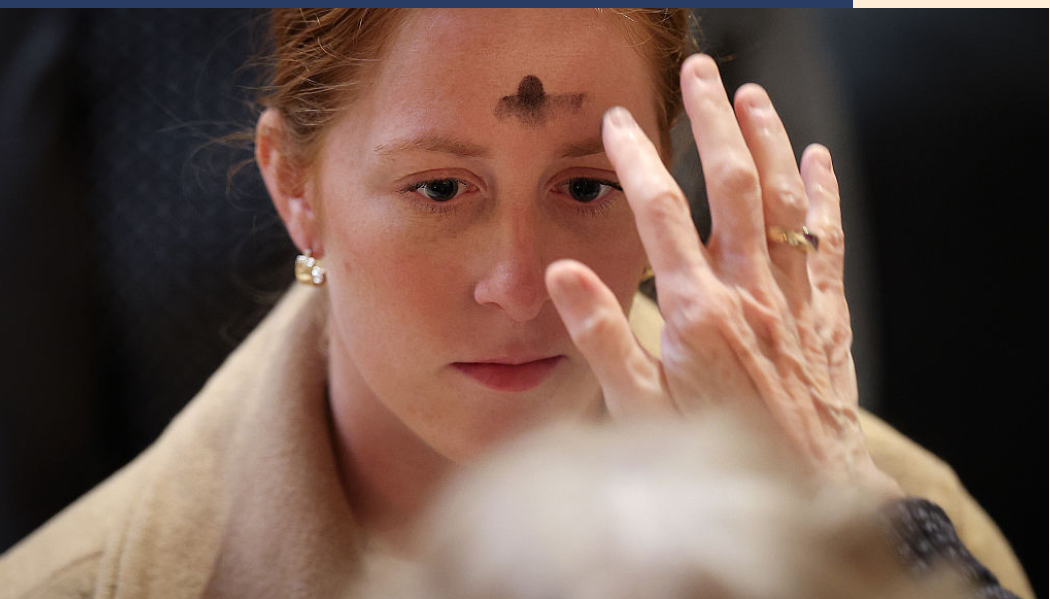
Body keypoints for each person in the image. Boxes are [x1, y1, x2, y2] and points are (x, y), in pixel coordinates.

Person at [0, 8, 1031, 599]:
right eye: (440, 189)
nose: (524, 282)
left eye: (588, 186)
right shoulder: (79, 584)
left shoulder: (891, 521)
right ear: (295, 187)